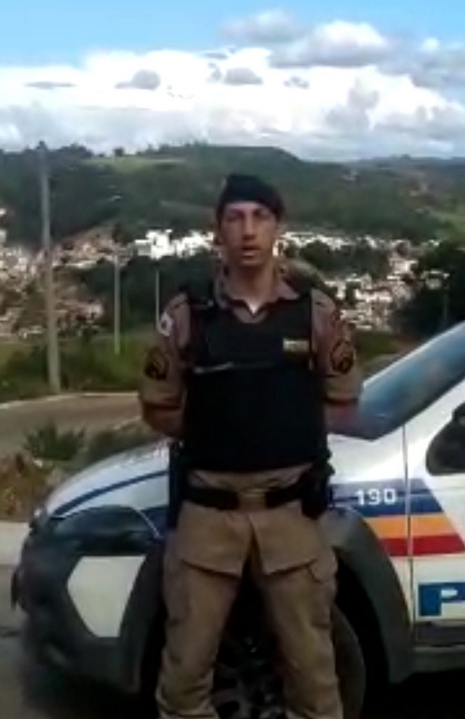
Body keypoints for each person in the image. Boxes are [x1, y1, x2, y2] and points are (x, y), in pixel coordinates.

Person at [138, 173, 363, 719]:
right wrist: (219, 428)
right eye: (234, 218)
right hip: (208, 517)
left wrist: (281, 428)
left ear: (277, 227)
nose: (247, 231)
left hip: (290, 516)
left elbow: (343, 398)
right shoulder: (188, 314)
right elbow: (158, 405)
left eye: (260, 217)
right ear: (217, 230)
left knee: (314, 684)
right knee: (183, 684)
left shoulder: (314, 311)